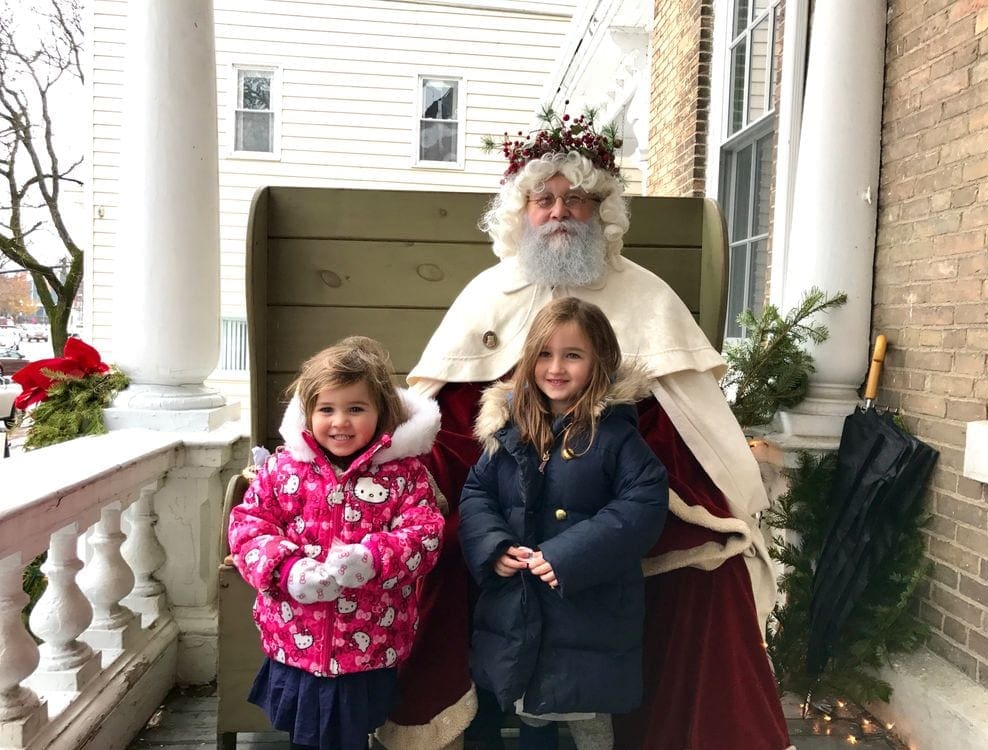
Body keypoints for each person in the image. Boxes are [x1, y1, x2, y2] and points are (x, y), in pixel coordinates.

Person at [378, 115, 791, 750]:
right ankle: (471, 722)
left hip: (601, 490)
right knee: (435, 549)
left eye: (577, 198)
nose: (560, 212)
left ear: (603, 211)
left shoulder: (644, 294)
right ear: (522, 212)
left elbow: (679, 422)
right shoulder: (487, 293)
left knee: (713, 569)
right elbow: (448, 417)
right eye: (544, 199)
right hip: (510, 489)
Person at [459, 297, 669, 750]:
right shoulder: (510, 429)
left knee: (587, 715)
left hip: (586, 606)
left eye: (572, 355)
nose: (556, 367)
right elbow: (477, 494)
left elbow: (644, 503)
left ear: (599, 362)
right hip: (520, 602)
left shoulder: (614, 434)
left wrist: (567, 556)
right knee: (533, 710)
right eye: (545, 354)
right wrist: (493, 548)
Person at [228, 336, 446, 750]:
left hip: (368, 644)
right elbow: (248, 528)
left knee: (353, 737)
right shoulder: (283, 469)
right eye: (327, 409)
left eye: (355, 409)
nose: (340, 421)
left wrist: (372, 558)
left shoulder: (402, 474)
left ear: (380, 412)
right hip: (296, 642)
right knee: (304, 739)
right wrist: (288, 570)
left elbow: (424, 535)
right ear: (308, 413)